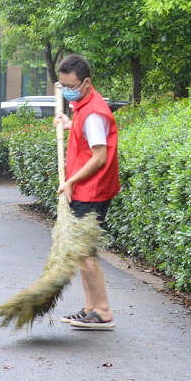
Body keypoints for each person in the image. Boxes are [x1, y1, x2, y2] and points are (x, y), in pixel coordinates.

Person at [53, 53, 120, 332]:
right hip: (86, 188)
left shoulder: (93, 113)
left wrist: (69, 182)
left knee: (86, 252)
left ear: (86, 82)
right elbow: (87, 133)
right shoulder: (85, 103)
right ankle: (91, 308)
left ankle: (103, 311)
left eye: (70, 85)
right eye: (62, 85)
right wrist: (70, 124)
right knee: (83, 252)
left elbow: (99, 157)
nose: (67, 89)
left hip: (91, 190)